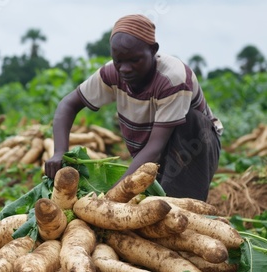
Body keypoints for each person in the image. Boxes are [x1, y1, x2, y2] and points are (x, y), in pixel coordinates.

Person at [44, 14, 223, 201]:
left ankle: (182, 201)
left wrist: (114, 194)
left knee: (173, 208)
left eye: (134, 60)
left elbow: (155, 146)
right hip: (149, 156)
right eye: (118, 61)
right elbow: (68, 104)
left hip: (194, 148)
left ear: (153, 50)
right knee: (146, 210)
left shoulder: (173, 78)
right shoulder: (112, 73)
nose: (125, 69)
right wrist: (59, 151)